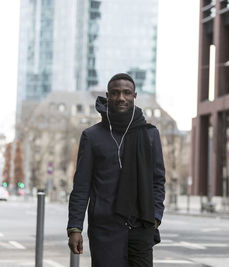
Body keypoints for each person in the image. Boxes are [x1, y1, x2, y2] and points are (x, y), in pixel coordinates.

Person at [67, 73, 166, 267]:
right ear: (108, 96)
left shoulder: (150, 134)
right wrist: (75, 228)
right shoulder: (92, 136)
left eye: (127, 93)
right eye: (115, 93)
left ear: (134, 96)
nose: (121, 97)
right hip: (105, 228)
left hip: (141, 226)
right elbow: (81, 186)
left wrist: (156, 217)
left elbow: (158, 180)